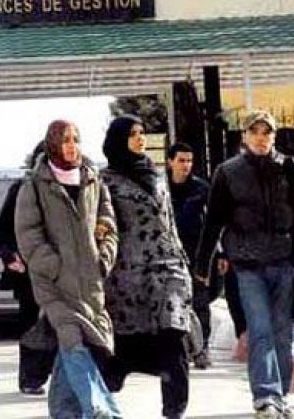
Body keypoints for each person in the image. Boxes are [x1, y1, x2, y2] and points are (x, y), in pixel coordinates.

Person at [195, 111, 294, 419]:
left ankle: (278, 396)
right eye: (254, 132)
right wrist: (203, 263)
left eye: (266, 132)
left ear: (274, 136)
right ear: (244, 136)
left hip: (285, 263)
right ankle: (265, 397)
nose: (260, 137)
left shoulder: (292, 169)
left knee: (283, 332)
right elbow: (213, 220)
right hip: (248, 265)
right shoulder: (228, 172)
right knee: (261, 329)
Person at [16, 120, 122, 418]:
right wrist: (55, 265)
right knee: (74, 341)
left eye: (76, 138)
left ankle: (63, 412)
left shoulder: (91, 180)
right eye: (65, 139)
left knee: (76, 344)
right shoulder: (35, 185)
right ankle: (103, 411)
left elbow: (107, 222)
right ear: (52, 144)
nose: (72, 145)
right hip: (54, 284)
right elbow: (28, 235)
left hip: (90, 281)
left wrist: (104, 257)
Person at [101, 115, 192, 419]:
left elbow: (169, 222)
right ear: (118, 140)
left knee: (174, 335)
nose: (140, 139)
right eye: (132, 135)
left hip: (169, 270)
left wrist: (182, 259)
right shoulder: (106, 181)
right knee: (125, 347)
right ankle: (98, 398)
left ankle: (174, 408)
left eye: (142, 133)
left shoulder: (157, 176)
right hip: (128, 276)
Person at [0, 141, 55, 396]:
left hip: (60, 269)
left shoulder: (70, 187)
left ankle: (62, 376)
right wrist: (10, 256)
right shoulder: (21, 190)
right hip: (27, 271)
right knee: (31, 324)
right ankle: (31, 378)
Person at [166, 142, 224, 369]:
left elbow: (214, 223)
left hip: (198, 254)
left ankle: (202, 348)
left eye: (189, 161)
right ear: (170, 162)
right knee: (172, 304)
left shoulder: (201, 189)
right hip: (169, 255)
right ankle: (178, 349)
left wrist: (220, 254)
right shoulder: (160, 188)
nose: (186, 165)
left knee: (200, 302)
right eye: (181, 160)